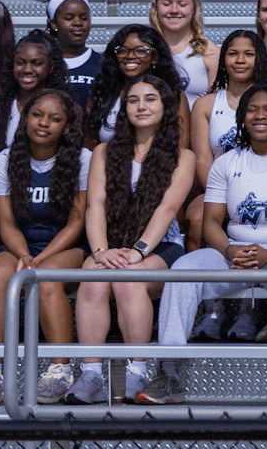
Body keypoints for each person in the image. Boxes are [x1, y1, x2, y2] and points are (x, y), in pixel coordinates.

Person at [149, 83, 267, 406]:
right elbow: (211, 221)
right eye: (252, 109)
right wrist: (229, 250)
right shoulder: (227, 162)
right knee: (183, 269)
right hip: (235, 253)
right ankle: (168, 371)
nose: (260, 115)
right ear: (242, 117)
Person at [64, 77, 193, 406]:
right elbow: (95, 206)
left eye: (150, 99)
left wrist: (137, 252)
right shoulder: (104, 152)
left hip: (159, 245)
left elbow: (166, 210)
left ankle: (136, 371)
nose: (141, 106)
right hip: (110, 241)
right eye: (133, 100)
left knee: (128, 282)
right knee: (92, 280)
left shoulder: (183, 157)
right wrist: (101, 252)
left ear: (165, 108)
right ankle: (91, 375)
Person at [0, 88, 89, 405]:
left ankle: (60, 371)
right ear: (25, 119)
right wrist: (24, 255)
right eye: (37, 115)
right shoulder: (5, 160)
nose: (44, 123)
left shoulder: (82, 159)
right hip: (21, 245)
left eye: (55, 119)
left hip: (66, 247)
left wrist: (40, 259)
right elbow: (7, 223)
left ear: (67, 127)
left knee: (47, 278)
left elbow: (76, 222)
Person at [188, 30, 267, 261]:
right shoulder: (205, 105)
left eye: (248, 54)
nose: (240, 60)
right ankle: (200, 290)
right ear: (223, 58)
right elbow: (203, 159)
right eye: (233, 54)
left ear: (260, 59)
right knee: (196, 218)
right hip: (218, 188)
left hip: (266, 187)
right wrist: (221, 197)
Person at [82, 24, 188, 147]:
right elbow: (90, 145)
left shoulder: (173, 94)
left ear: (155, 57)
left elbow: (182, 147)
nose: (130, 56)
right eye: (122, 51)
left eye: (141, 51)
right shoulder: (101, 93)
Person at [0, 30, 70, 160]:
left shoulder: (66, 109)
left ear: (51, 67)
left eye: (36, 63)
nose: (27, 70)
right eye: (21, 62)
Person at [149, 0, 215, 99]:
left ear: (195, 8)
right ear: (156, 7)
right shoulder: (143, 50)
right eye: (166, 4)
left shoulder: (211, 53)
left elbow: (218, 109)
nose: (174, 10)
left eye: (182, 4)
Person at [46, 0, 101, 107]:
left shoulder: (102, 63)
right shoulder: (44, 61)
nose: (78, 23)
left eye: (84, 18)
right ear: (54, 24)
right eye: (69, 18)